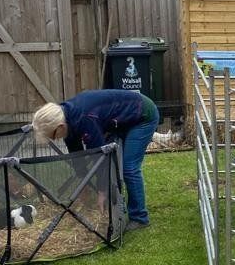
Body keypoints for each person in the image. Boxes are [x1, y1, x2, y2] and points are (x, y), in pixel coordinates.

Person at [32, 89, 159, 229]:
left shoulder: (85, 118)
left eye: (52, 135)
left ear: (60, 126)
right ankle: (118, 204)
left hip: (143, 115)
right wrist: (83, 182)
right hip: (121, 120)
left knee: (129, 167)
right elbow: (76, 153)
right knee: (115, 162)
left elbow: (101, 158)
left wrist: (101, 192)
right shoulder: (67, 117)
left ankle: (140, 217)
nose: (54, 139)